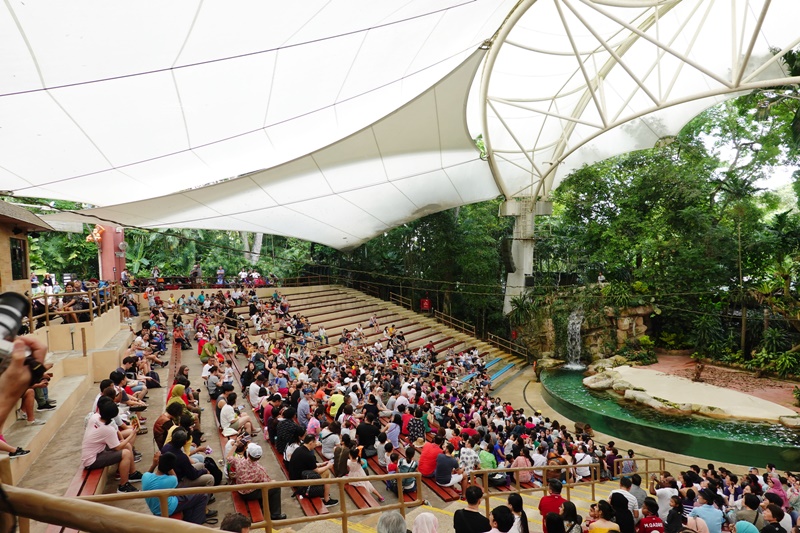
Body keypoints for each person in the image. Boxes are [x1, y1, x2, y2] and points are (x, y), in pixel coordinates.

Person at [81, 399, 142, 493]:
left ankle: (132, 473)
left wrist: (123, 439)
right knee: (125, 453)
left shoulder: (95, 417)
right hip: (91, 460)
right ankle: (123, 486)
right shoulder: (107, 429)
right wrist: (132, 434)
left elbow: (116, 437)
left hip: (95, 452)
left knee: (127, 446)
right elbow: (117, 448)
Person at [142, 451, 212, 525]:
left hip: (155, 508)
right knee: (203, 495)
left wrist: (154, 464)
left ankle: (188, 517)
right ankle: (196, 523)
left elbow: (149, 473)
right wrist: (170, 467)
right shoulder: (171, 480)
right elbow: (174, 477)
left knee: (186, 492)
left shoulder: (145, 476)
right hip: (169, 507)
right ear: (171, 467)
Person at [226, 441, 286, 520]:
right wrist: (273, 482)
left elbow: (228, 457)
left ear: (249, 453)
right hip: (250, 493)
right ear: (259, 457)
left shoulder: (239, 461)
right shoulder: (259, 469)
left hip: (241, 490)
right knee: (275, 487)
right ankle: (275, 514)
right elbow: (267, 483)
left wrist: (236, 444)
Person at [287, 434, 338, 507]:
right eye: (315, 443)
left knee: (324, 470)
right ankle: (327, 500)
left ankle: (323, 493)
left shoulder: (299, 449)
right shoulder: (308, 455)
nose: (315, 445)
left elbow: (309, 464)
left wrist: (321, 464)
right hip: (300, 481)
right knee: (327, 474)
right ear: (311, 443)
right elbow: (317, 471)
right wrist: (328, 466)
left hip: (294, 477)